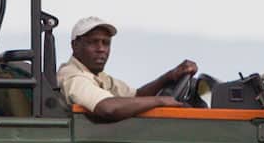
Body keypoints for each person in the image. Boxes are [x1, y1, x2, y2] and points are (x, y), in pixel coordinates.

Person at [58, 17, 197, 121]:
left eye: (106, 43)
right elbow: (108, 108)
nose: (101, 49)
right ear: (75, 45)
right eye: (93, 42)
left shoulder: (98, 76)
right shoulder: (73, 77)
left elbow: (137, 96)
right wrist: (161, 101)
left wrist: (170, 76)